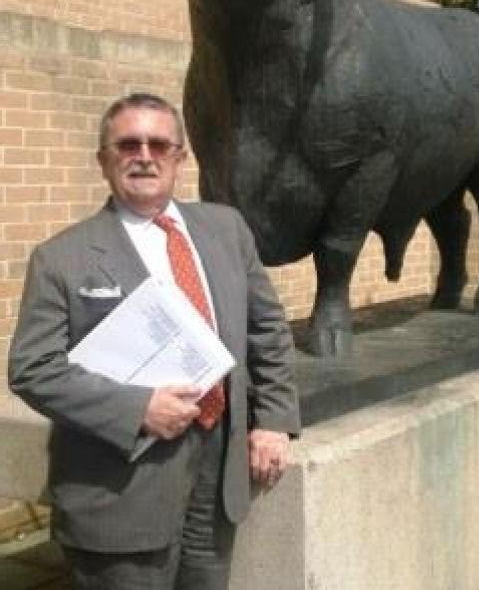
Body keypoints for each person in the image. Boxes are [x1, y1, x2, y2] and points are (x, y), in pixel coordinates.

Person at [8, 92, 300, 590]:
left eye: (160, 144)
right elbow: (33, 368)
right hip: (120, 492)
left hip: (217, 475)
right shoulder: (61, 258)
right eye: (128, 144)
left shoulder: (226, 229)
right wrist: (137, 408)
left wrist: (273, 418)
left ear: (180, 158)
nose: (144, 155)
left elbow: (266, 327)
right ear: (104, 160)